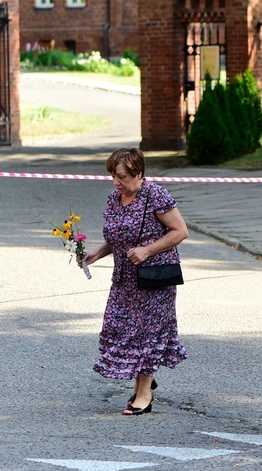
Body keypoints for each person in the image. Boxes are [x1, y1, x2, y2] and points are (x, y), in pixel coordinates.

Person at [80, 148, 190, 416]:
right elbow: (119, 235)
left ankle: (144, 393)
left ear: (139, 174)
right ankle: (144, 381)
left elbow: (180, 231)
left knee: (146, 335)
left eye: (122, 177)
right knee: (121, 331)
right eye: (113, 176)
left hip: (154, 278)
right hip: (124, 279)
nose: (117, 182)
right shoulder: (114, 199)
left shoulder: (155, 195)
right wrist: (98, 251)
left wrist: (148, 250)